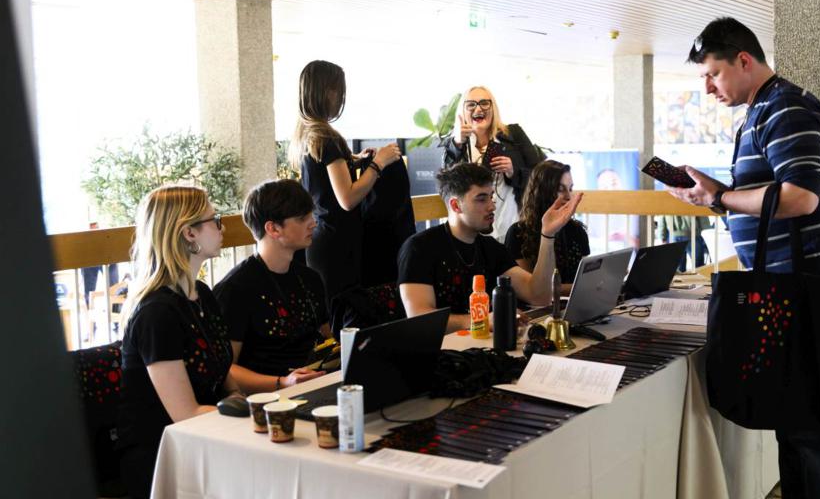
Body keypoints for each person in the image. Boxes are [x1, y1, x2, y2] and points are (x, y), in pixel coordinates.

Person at [671, 17, 820, 499]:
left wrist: (721, 195)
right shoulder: (761, 111)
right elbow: (767, 200)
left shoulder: (786, 107)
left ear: (744, 60)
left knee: (813, 422)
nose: (709, 89)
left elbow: (799, 197)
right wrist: (715, 197)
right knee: (794, 414)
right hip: (792, 281)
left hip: (810, 280)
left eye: (713, 74)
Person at [116, 186, 239, 499]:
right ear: (189, 233)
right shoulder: (156, 313)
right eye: (215, 220)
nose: (222, 228)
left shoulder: (202, 295)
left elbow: (224, 379)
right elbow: (186, 414)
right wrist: (251, 416)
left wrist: (246, 401)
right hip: (160, 456)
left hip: (202, 437)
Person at [398, 163, 582, 333]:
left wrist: (547, 235)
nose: (492, 206)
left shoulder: (491, 248)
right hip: (441, 352)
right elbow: (419, 318)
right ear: (456, 205)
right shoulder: (419, 248)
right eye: (481, 199)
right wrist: (480, 320)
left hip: (483, 347)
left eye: (491, 197)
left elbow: (539, 297)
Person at [289, 60, 401, 318]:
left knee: (331, 316)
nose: (340, 97)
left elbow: (325, 180)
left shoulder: (307, 136)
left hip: (321, 240)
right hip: (337, 245)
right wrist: (379, 163)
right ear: (326, 92)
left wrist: (354, 161)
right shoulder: (326, 137)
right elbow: (347, 198)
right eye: (337, 90)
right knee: (345, 317)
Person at [213, 179, 330, 395]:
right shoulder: (235, 289)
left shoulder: (310, 278)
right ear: (273, 228)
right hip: (264, 399)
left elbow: (327, 338)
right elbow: (225, 369)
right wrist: (283, 383)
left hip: (314, 387)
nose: (313, 223)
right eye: (302, 218)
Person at [442, 86, 543, 242]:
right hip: (473, 232)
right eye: (471, 104)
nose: (478, 109)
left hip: (513, 225)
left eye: (484, 103)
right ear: (463, 111)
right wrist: (458, 144)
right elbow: (447, 187)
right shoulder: (456, 145)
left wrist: (513, 172)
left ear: (493, 107)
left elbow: (541, 176)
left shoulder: (513, 134)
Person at [505, 160, 589, 295]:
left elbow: (586, 278)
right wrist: (581, 287)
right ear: (542, 192)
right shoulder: (518, 233)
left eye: (570, 189)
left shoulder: (577, 230)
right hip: (536, 307)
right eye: (560, 189)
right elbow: (531, 290)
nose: (569, 196)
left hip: (575, 303)